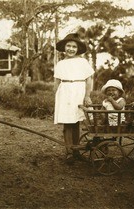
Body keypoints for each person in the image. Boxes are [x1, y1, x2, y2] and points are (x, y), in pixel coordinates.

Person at [54, 33, 94, 164]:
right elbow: (56, 82)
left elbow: (89, 79)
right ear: (64, 48)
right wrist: (56, 98)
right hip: (65, 91)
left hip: (78, 90)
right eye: (68, 46)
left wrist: (87, 95)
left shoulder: (83, 62)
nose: (71, 49)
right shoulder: (60, 63)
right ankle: (69, 152)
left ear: (78, 49)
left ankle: (76, 150)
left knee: (76, 121)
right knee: (67, 122)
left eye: (74, 47)